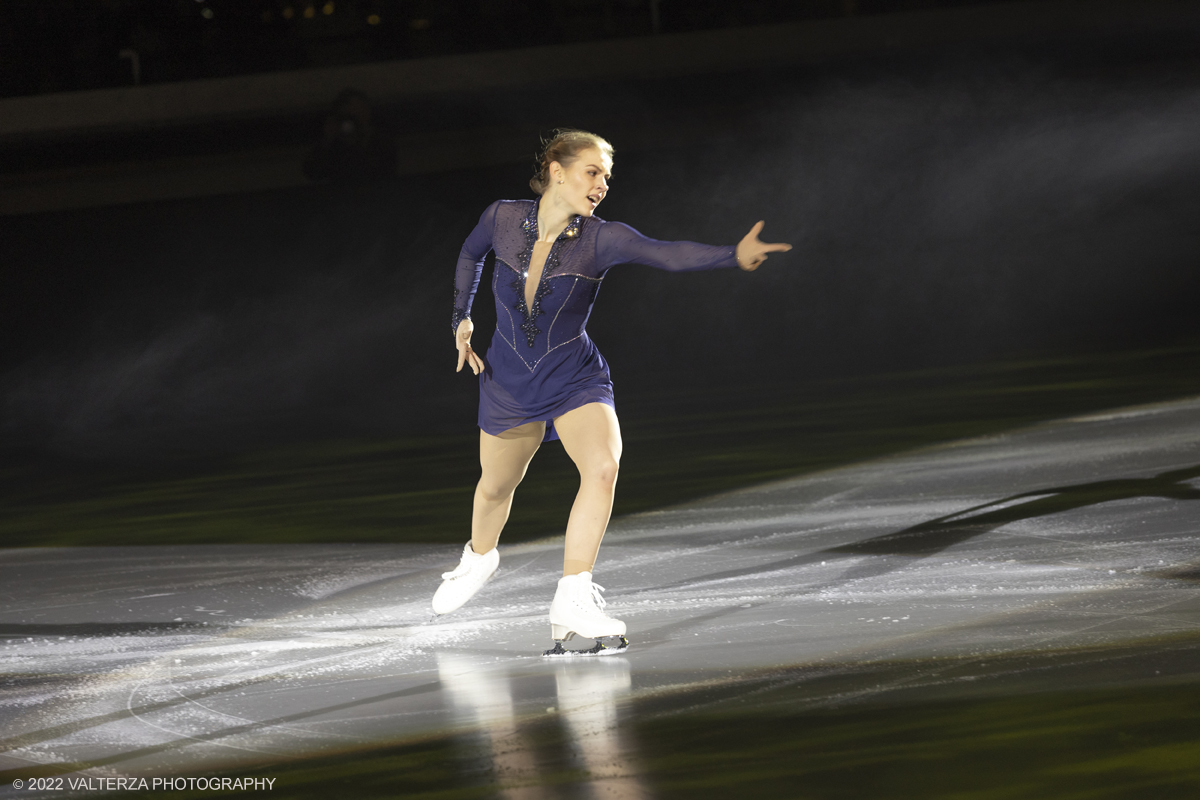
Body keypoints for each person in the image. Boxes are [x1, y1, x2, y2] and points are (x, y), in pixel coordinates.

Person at [432, 129, 791, 653]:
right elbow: (470, 254)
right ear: (557, 169)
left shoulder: (602, 238)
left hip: (575, 375)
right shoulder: (501, 218)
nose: (602, 185)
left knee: (602, 467)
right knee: (494, 487)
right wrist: (461, 319)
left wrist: (731, 255)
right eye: (592, 172)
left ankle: (574, 595)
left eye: (606, 177)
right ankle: (479, 557)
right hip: (509, 381)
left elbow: (664, 253)